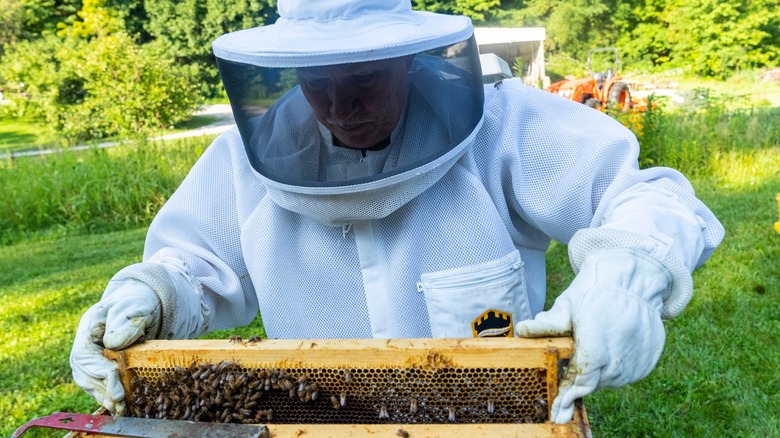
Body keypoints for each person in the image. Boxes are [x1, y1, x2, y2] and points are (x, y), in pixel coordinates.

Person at [70, 0, 724, 424]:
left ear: (407, 60)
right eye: (317, 82)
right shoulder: (247, 159)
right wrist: (148, 291)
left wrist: (631, 270)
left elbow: (648, 197)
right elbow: (191, 264)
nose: (339, 106)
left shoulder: (502, 124)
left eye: (361, 79)